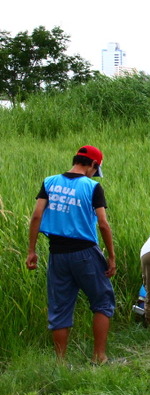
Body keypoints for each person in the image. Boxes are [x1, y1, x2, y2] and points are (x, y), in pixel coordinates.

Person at [26, 145, 116, 364]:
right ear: (93, 165)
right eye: (96, 169)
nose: (95, 174)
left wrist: (31, 251)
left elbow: (37, 216)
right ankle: (99, 356)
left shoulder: (49, 182)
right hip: (85, 252)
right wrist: (111, 256)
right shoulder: (92, 187)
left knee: (59, 308)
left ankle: (61, 363)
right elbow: (103, 224)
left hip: (56, 253)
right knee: (103, 300)